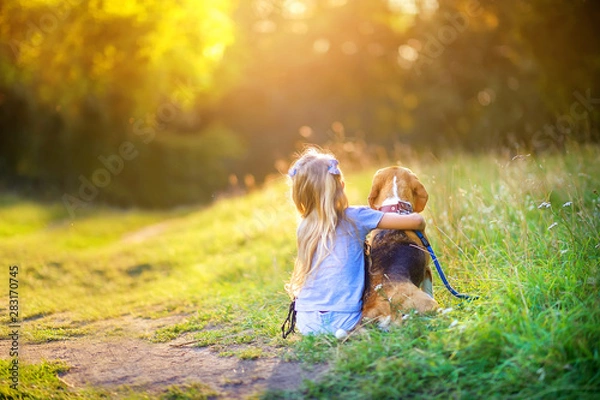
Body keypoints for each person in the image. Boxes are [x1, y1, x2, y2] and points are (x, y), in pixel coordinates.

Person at [285, 148, 426, 336]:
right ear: (341, 185)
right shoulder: (357, 217)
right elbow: (416, 221)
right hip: (344, 320)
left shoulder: (304, 228)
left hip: (306, 323)